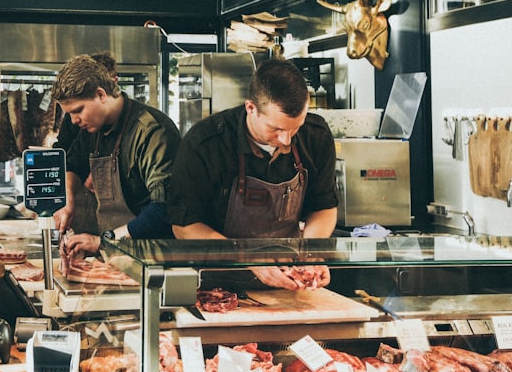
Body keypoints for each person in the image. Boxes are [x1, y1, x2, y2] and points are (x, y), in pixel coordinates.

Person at [166, 58, 338, 290]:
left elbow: (323, 206)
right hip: (218, 285)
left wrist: (310, 253)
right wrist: (246, 256)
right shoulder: (205, 143)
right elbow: (184, 227)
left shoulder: (316, 135)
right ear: (251, 108)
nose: (286, 140)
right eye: (276, 129)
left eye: (295, 128)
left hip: (290, 283)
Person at [51, 54, 180, 260]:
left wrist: (105, 240)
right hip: (116, 253)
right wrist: (68, 201)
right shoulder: (92, 129)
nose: (74, 121)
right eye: (70, 114)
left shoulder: (151, 132)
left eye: (78, 111)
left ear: (101, 95)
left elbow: (164, 208)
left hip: (152, 255)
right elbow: (73, 164)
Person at [52, 51, 118, 236]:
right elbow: (69, 156)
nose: (75, 120)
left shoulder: (143, 127)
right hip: (85, 204)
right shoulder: (83, 123)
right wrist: (67, 196)